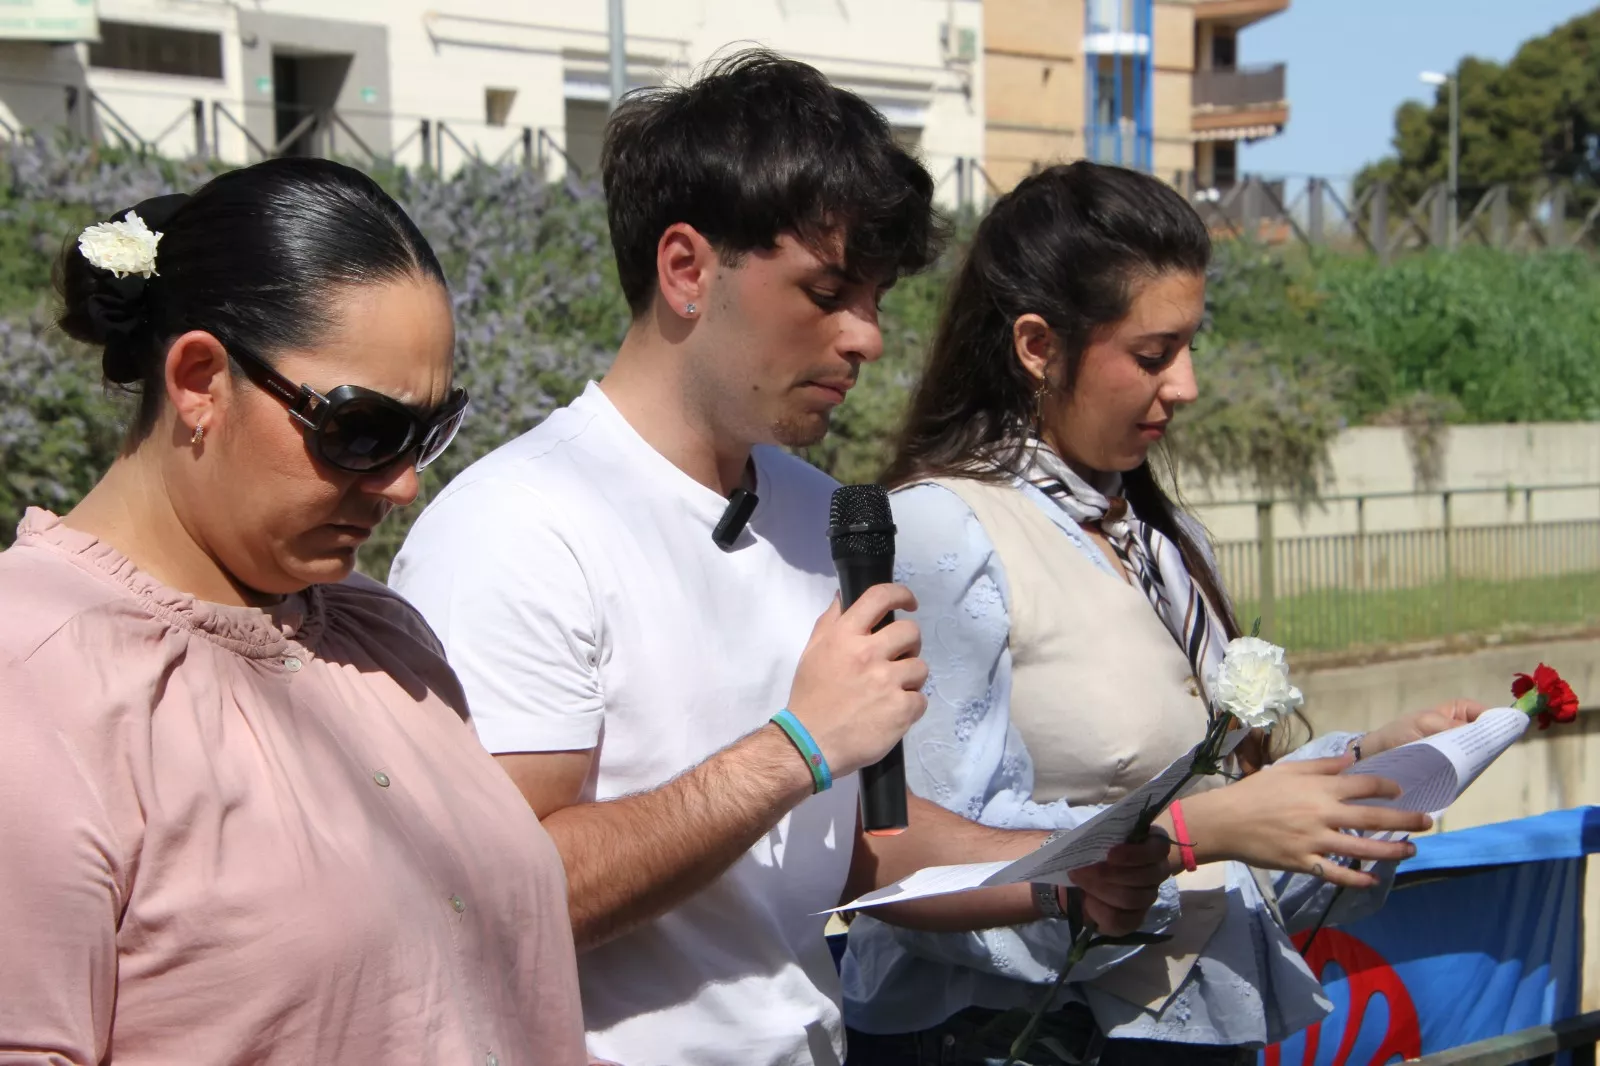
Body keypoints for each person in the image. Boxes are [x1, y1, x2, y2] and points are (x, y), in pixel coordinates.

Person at [389, 52, 1169, 1066]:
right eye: (828, 290)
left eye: (878, 296)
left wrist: (1060, 870)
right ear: (685, 269)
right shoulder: (515, 525)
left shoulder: (824, 515)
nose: (867, 337)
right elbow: (515, 890)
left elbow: (846, 845)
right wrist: (800, 744)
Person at [839, 160, 1488, 1065]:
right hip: (1012, 1038)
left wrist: (1361, 767)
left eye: (1191, 346)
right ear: (1037, 345)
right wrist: (1196, 836)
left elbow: (1208, 797)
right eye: (1153, 354)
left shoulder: (1162, 534)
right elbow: (901, 864)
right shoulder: (944, 529)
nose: (1185, 385)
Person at [0, 159, 591, 1065]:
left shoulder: (381, 633)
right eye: (362, 430)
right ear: (199, 379)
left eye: (431, 431)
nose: (403, 483)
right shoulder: (34, 682)